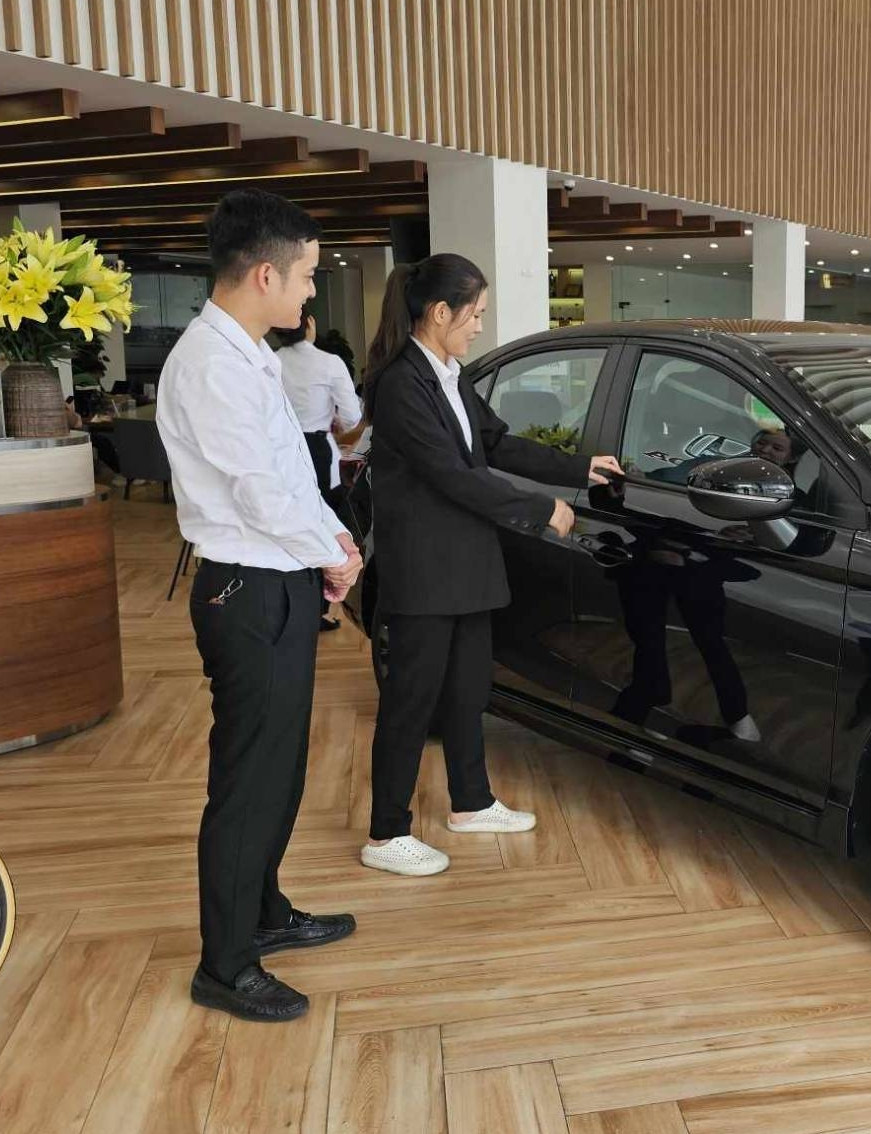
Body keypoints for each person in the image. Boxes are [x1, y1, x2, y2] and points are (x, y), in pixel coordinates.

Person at [154, 189, 363, 1023]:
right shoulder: (210, 364)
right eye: (308, 275)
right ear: (266, 274)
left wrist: (331, 544)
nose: (312, 291)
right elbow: (256, 493)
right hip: (246, 589)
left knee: (280, 769)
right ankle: (225, 963)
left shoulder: (250, 354)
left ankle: (264, 912)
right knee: (248, 781)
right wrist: (331, 552)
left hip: (279, 578)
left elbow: (291, 478)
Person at [360, 253, 621, 876]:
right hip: (425, 571)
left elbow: (496, 443)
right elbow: (450, 474)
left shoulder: (449, 374)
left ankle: (471, 802)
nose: (480, 326)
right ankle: (386, 833)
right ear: (439, 312)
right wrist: (541, 508)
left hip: (468, 561)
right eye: (474, 314)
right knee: (411, 702)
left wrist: (577, 466)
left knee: (467, 689)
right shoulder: (399, 384)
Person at [275, 312, 363, 630]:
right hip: (318, 450)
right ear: (310, 324)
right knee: (323, 524)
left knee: (290, 522)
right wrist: (333, 418)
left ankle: (292, 604)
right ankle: (318, 607)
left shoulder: (270, 361)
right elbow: (352, 417)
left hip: (280, 450)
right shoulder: (329, 363)